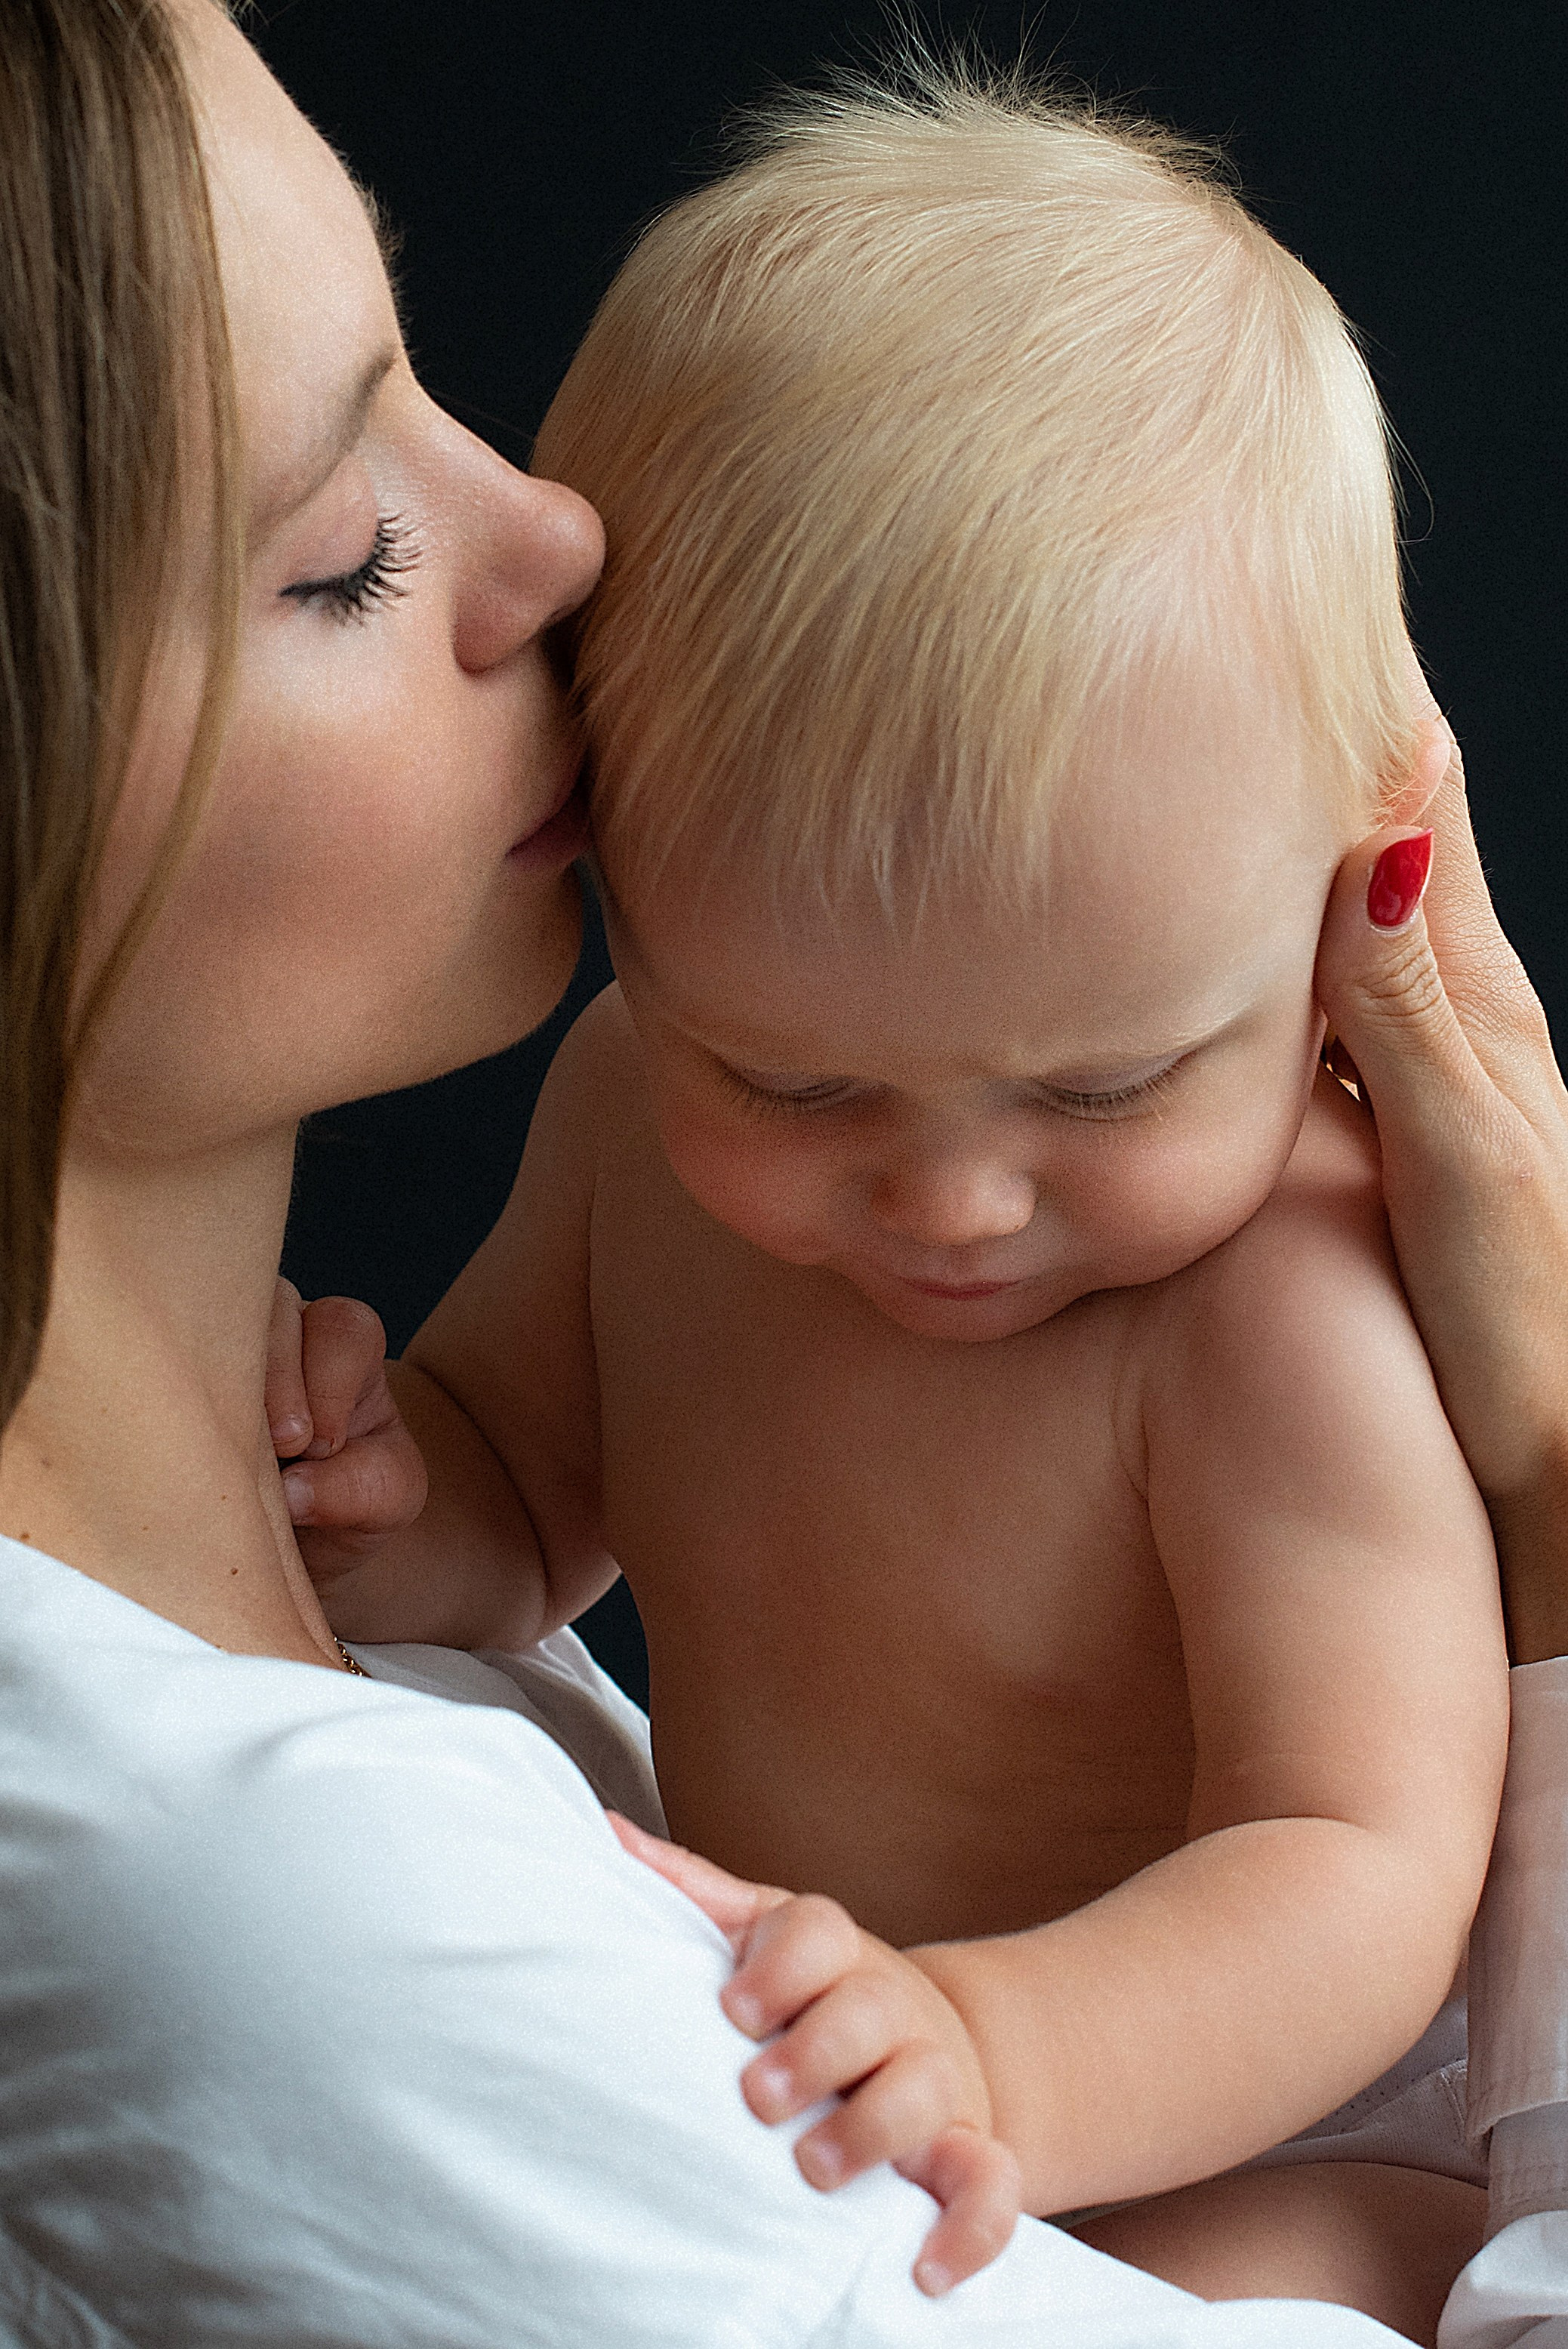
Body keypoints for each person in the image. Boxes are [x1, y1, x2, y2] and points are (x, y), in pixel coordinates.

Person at [0, 4, 1562, 2344]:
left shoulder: (1285, 1290)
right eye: (804, 1083)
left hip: (1292, 2127)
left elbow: (1350, 1870)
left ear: (1333, 905)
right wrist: (410, 1495)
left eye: (1114, 1083)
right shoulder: (637, 1120)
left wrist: (1007, 2042)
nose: (950, 1201)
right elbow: (540, 1476)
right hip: (919, 2086)